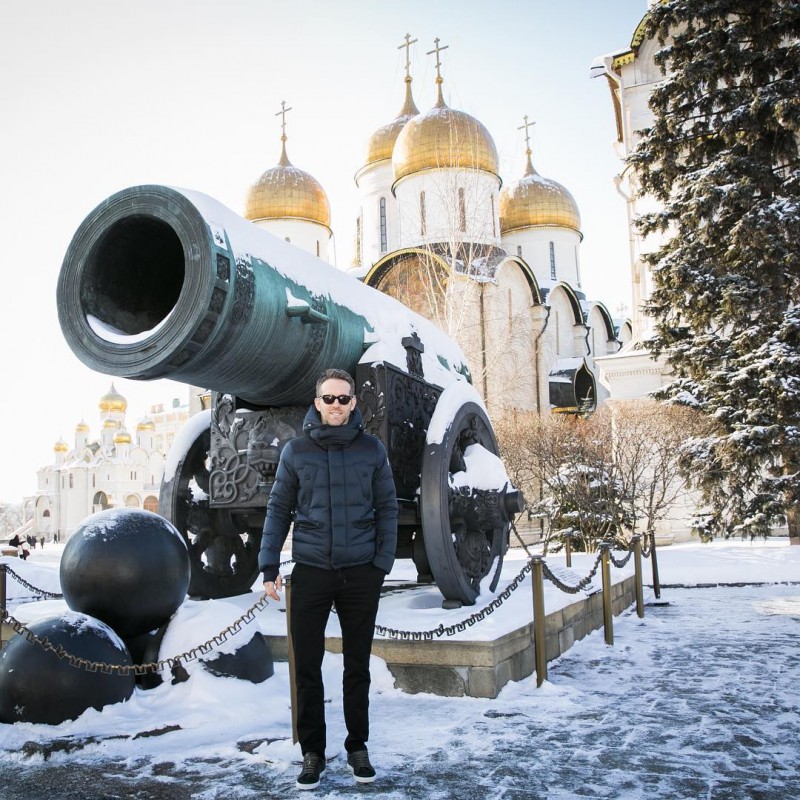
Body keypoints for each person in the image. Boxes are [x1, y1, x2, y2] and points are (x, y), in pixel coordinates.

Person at [259, 368, 397, 791]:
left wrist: (381, 564)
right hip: (312, 571)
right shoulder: (296, 452)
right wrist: (268, 564)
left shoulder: (372, 450)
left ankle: (357, 747)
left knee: (357, 666)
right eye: (328, 398)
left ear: (353, 403)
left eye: (343, 398)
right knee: (308, 668)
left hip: (360, 573)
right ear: (316, 403)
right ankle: (312, 753)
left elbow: (388, 507)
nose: (336, 405)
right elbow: (279, 508)